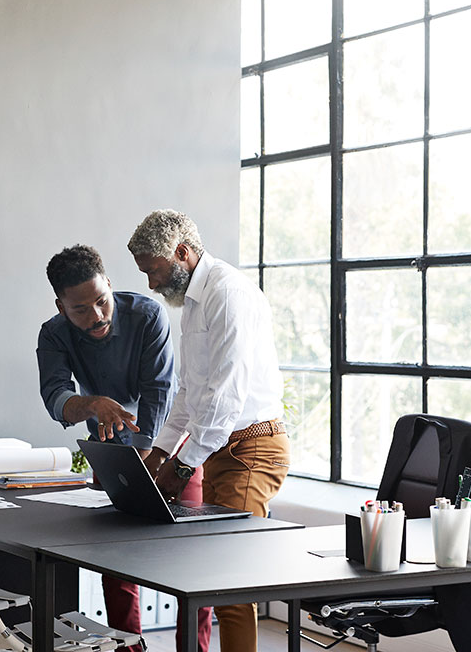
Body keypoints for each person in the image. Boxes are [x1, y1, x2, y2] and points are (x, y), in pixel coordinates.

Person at [127, 210, 290, 652]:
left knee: (229, 585)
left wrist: (180, 468)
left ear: (181, 253)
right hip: (222, 447)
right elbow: (190, 393)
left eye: (154, 271)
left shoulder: (228, 293)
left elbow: (226, 397)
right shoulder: (192, 302)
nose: (151, 284)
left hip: (253, 448)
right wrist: (158, 453)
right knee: (210, 579)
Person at [36, 244, 213, 652]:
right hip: (111, 452)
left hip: (172, 450)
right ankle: (128, 649)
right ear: (61, 307)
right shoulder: (53, 334)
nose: (96, 316)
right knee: (117, 565)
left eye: (102, 301)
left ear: (110, 285)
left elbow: (159, 392)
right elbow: (55, 396)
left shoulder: (147, 314)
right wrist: (91, 405)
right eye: (80, 309)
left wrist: (150, 455)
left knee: (192, 561)